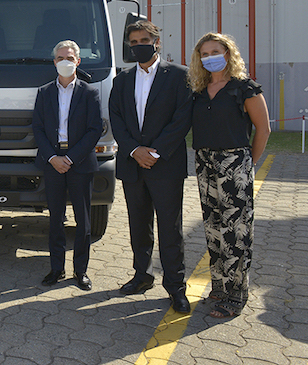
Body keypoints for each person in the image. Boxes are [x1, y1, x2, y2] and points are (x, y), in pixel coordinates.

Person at [109, 19, 192, 313]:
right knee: (138, 225)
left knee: (170, 229)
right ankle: (142, 276)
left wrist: (155, 152)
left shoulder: (179, 76)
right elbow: (116, 118)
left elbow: (182, 118)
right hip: (133, 165)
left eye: (144, 40)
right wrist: (134, 150)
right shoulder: (122, 80)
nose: (139, 46)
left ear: (156, 42)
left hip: (165, 165)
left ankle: (176, 287)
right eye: (134, 42)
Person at [188, 32, 270, 319]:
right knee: (213, 227)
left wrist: (247, 164)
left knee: (236, 231)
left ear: (228, 54)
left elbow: (263, 129)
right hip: (204, 162)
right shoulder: (198, 91)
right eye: (204, 54)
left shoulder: (244, 88)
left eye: (215, 52)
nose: (210, 57)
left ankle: (237, 294)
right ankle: (220, 287)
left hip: (235, 164)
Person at [32, 40, 103, 291]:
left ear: (78, 62)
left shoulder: (90, 92)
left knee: (83, 221)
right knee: (55, 219)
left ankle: (80, 271)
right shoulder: (44, 92)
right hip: (52, 161)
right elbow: (38, 128)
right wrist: (53, 158)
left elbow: (95, 129)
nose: (65, 62)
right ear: (54, 62)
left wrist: (70, 158)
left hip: (80, 162)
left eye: (70, 58)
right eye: (61, 58)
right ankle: (56, 268)